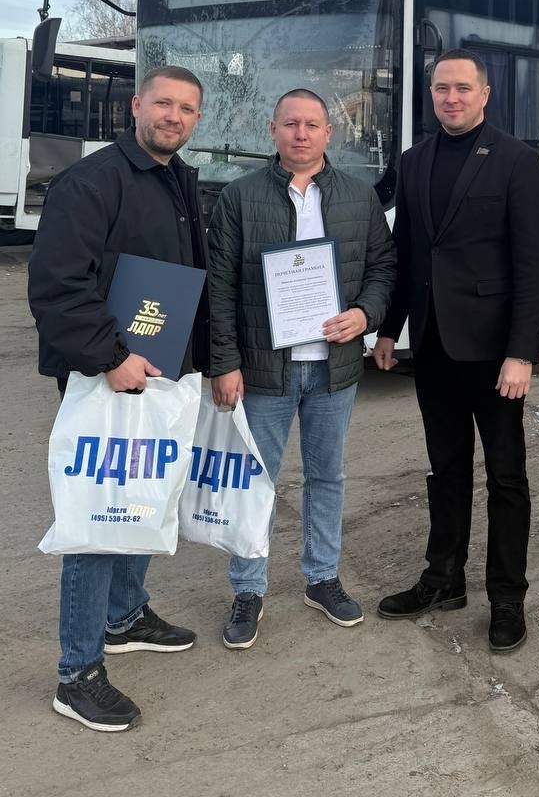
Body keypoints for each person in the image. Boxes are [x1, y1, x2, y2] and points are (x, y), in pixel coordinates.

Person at [29, 66, 208, 732]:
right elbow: (57, 286)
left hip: (159, 373)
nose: (173, 116)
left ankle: (125, 616)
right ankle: (77, 673)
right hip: (106, 375)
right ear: (136, 105)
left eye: (186, 108)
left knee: (144, 496)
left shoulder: (178, 179)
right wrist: (110, 356)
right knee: (98, 517)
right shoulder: (91, 182)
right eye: (163, 103)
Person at [372, 49, 539, 653]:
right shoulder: (414, 161)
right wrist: (389, 329)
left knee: (506, 476)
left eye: (462, 88)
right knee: (445, 470)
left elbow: (533, 265)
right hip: (434, 346)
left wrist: (522, 352)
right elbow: (408, 253)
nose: (451, 98)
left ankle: (507, 597)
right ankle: (444, 578)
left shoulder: (518, 162)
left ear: (485, 94)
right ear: (432, 94)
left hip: (495, 353)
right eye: (441, 88)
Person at [206, 88, 395, 650]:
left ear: (328, 133)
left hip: (334, 368)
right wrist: (225, 363)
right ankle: (248, 588)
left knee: (327, 477)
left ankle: (322, 577)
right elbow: (220, 288)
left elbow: (383, 267)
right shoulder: (239, 197)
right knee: (254, 481)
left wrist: (365, 314)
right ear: (273, 130)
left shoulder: (359, 197)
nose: (301, 133)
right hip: (264, 369)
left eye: (313, 124)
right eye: (291, 123)